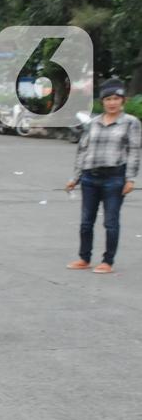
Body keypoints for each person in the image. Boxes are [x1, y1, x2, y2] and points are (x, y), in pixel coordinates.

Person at [65, 78, 140, 274]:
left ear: (123, 100)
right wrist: (75, 177)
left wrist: (130, 179)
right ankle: (84, 258)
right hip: (90, 177)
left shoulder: (131, 123)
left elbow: (133, 151)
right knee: (86, 221)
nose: (112, 102)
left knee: (110, 222)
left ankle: (108, 261)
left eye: (116, 98)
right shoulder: (93, 123)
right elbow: (82, 150)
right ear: (102, 101)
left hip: (114, 178)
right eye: (108, 99)